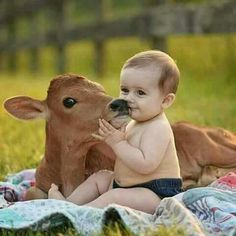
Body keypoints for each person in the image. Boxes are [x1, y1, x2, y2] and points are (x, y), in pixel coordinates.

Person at [48, 50, 183, 214]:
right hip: (126, 185)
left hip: (155, 193)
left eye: (140, 93)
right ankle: (68, 204)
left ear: (165, 100)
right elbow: (124, 153)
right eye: (125, 90)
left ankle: (79, 213)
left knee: (116, 196)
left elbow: (146, 164)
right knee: (100, 177)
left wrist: (118, 142)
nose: (129, 98)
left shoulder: (158, 127)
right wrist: (109, 137)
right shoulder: (134, 122)